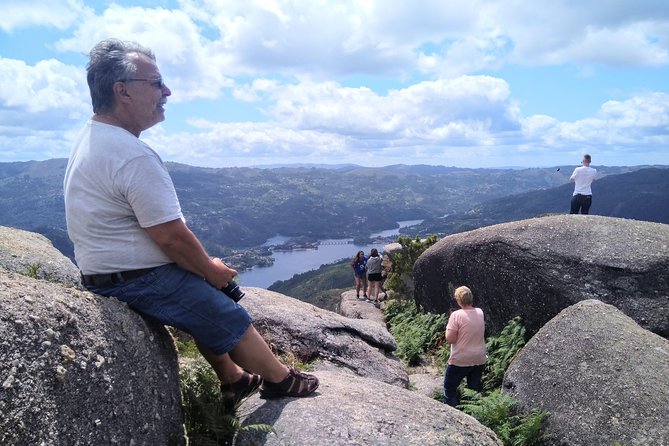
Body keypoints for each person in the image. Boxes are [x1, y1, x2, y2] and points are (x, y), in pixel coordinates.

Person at [63, 39, 318, 409]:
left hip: (107, 272)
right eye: (156, 82)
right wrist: (210, 270)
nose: (166, 91)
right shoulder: (131, 154)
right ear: (123, 91)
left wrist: (201, 269)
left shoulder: (92, 139)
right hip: (136, 278)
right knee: (225, 312)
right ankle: (279, 381)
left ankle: (232, 378)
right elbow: (171, 237)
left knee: (200, 288)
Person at [443, 286, 486, 408]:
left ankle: (454, 417)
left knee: (449, 388)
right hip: (479, 358)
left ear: (458, 300)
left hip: (460, 359)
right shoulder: (480, 312)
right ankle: (473, 416)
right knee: (473, 391)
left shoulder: (456, 315)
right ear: (471, 298)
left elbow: (450, 339)